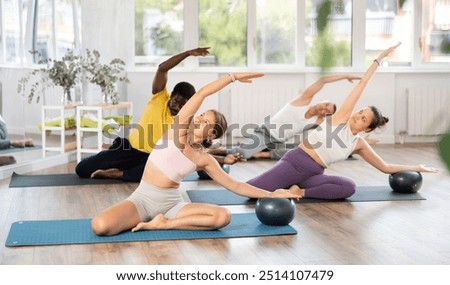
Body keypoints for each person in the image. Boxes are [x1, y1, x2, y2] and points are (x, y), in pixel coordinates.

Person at [91, 73, 301, 236]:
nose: (199, 120)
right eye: (201, 115)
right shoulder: (178, 131)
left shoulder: (204, 158)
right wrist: (232, 77)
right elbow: (201, 94)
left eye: (207, 122)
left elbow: (235, 186)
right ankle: (158, 221)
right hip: (143, 199)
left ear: (212, 134)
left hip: (173, 204)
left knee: (222, 216)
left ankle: (164, 224)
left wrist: (272, 194)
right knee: (100, 226)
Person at [246, 43, 438, 200]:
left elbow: (384, 167)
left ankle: (298, 192)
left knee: (348, 187)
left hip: (314, 174)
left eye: (363, 118)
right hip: (295, 163)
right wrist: (379, 59)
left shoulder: (359, 143)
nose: (357, 115)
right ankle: (287, 185)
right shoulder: (340, 119)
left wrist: (416, 168)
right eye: (360, 111)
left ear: (367, 128)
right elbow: (362, 84)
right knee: (249, 191)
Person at [75, 47, 240, 182]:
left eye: (183, 105)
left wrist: (222, 160)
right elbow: (162, 68)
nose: (177, 106)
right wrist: (188, 53)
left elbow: (193, 155)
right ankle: (120, 166)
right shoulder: (159, 96)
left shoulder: (186, 121)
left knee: (167, 168)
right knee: (81, 169)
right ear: (172, 94)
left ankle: (117, 174)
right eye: (176, 100)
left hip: (151, 158)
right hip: (128, 148)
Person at [210, 74, 361, 161]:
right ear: (322, 100)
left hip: (278, 142)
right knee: (242, 155)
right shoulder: (303, 100)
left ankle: (261, 153)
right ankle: (214, 152)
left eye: (327, 110)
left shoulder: (317, 122)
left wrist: (359, 138)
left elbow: (342, 121)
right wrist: (345, 76)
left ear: (325, 115)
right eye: (326, 104)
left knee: (299, 151)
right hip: (265, 133)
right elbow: (322, 81)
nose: (324, 108)